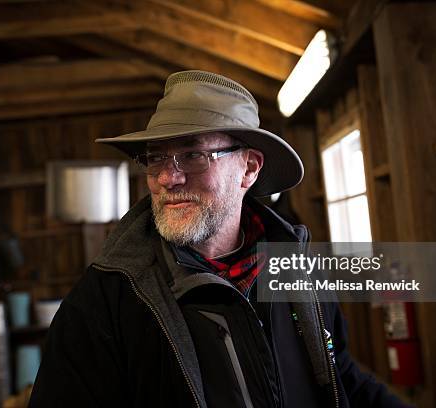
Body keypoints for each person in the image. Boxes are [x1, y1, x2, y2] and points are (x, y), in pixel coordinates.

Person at [29, 70, 408, 407]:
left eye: (193, 155)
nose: (167, 178)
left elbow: (337, 375)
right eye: (156, 158)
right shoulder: (107, 301)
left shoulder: (301, 270)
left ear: (249, 168)